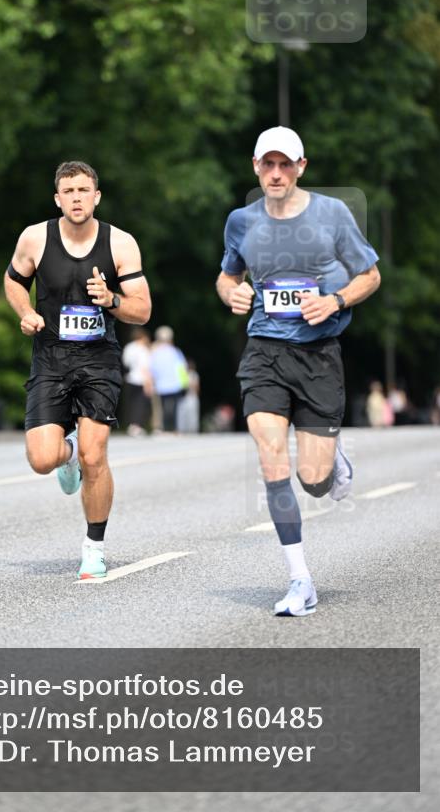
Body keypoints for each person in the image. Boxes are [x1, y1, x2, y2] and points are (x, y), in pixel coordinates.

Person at [216, 126, 380, 617]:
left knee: (313, 479)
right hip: (264, 352)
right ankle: (299, 579)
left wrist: (334, 299)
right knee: (271, 459)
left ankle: (333, 460)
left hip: (318, 356)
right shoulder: (241, 221)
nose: (276, 172)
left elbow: (369, 275)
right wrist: (234, 294)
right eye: (268, 164)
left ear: (301, 167)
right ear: (255, 167)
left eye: (286, 164)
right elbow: (228, 276)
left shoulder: (332, 214)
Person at [4, 160, 151, 580]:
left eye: (84, 190)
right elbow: (13, 280)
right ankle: (66, 458)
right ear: (57, 199)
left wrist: (112, 300)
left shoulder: (120, 244)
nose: (76, 198)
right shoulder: (35, 238)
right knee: (42, 458)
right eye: (68, 192)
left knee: (95, 454)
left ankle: (94, 548)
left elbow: (142, 310)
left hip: (98, 360)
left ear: (96, 196)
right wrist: (26, 311)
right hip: (50, 359)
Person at [149, 326, 189, 433]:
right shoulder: (175, 351)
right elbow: (182, 368)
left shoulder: (154, 352)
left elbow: (152, 368)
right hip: (174, 384)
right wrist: (185, 383)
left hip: (160, 384)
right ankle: (174, 428)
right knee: (174, 407)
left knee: (162, 407)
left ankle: (164, 427)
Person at [121, 327, 153, 436]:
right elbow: (145, 367)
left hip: (130, 378)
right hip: (141, 380)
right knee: (140, 405)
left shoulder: (129, 347)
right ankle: (137, 426)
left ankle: (130, 425)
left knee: (131, 404)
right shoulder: (143, 349)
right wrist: (148, 383)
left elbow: (126, 363)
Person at [177, 359, 201, 433]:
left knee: (193, 415)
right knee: (182, 415)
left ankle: (193, 430)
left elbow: (197, 388)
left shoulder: (194, 375)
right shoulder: (181, 374)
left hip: (192, 397)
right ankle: (181, 430)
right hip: (183, 397)